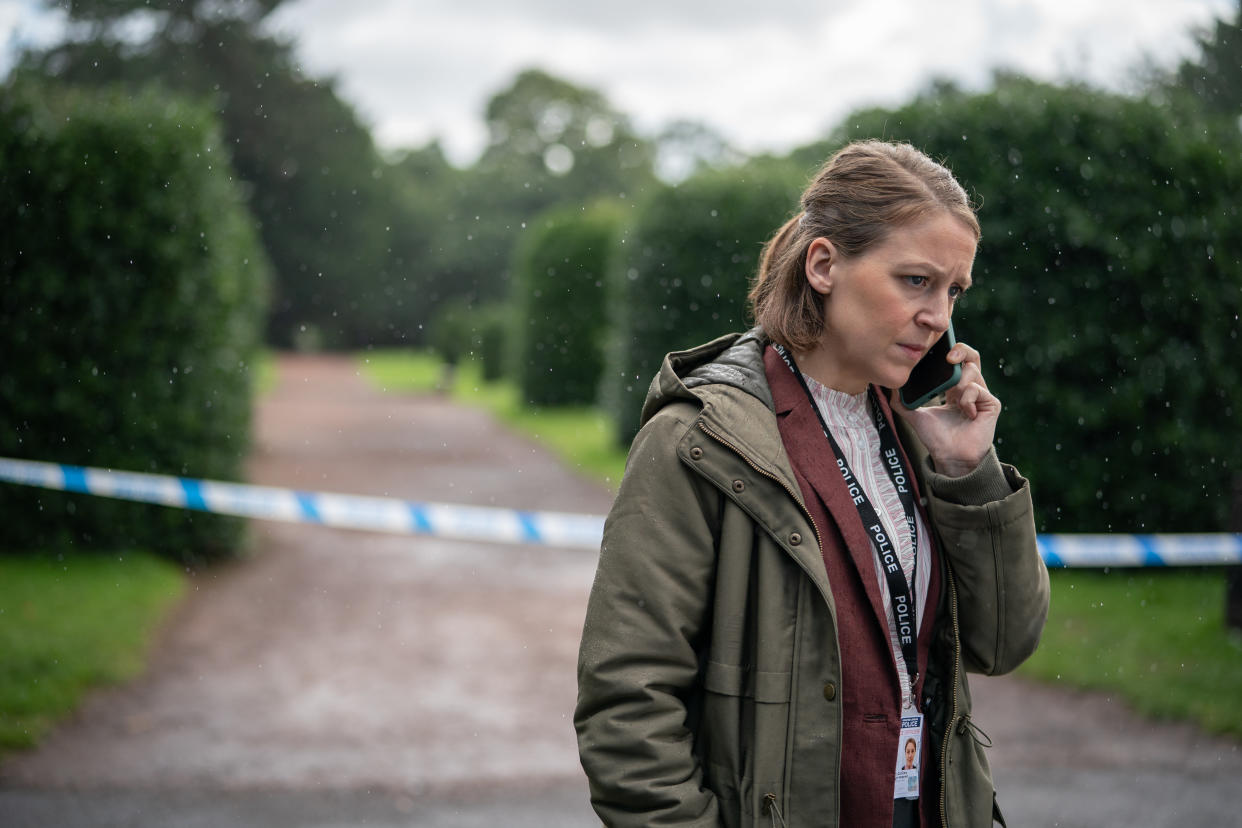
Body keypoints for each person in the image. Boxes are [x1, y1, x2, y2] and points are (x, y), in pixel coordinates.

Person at [574, 139, 1050, 828]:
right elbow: (627, 706)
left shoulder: (919, 434)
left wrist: (967, 470)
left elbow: (1003, 642)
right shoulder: (698, 441)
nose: (939, 317)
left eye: (953, 291)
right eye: (915, 281)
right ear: (823, 264)